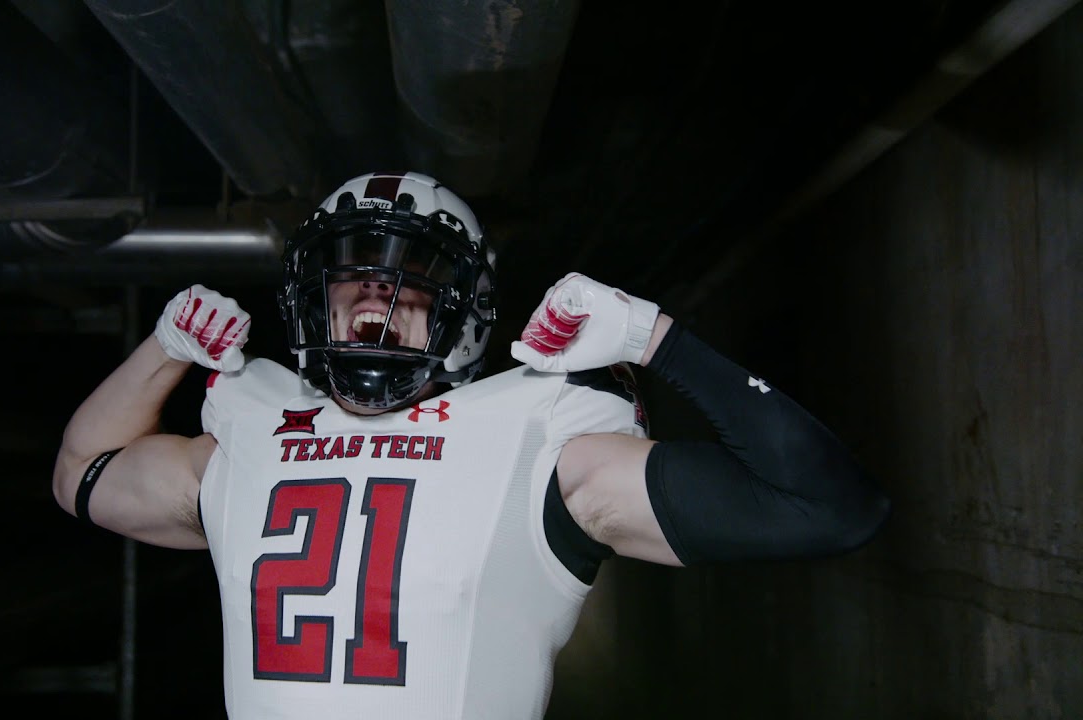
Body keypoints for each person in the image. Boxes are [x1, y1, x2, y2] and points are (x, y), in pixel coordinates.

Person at [52, 171, 890, 718]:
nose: (376, 293)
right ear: (315, 299)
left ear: (465, 312)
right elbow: (80, 475)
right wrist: (165, 346)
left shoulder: (536, 437)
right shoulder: (254, 423)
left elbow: (830, 509)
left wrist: (653, 337)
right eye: (354, 275)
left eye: (408, 281)